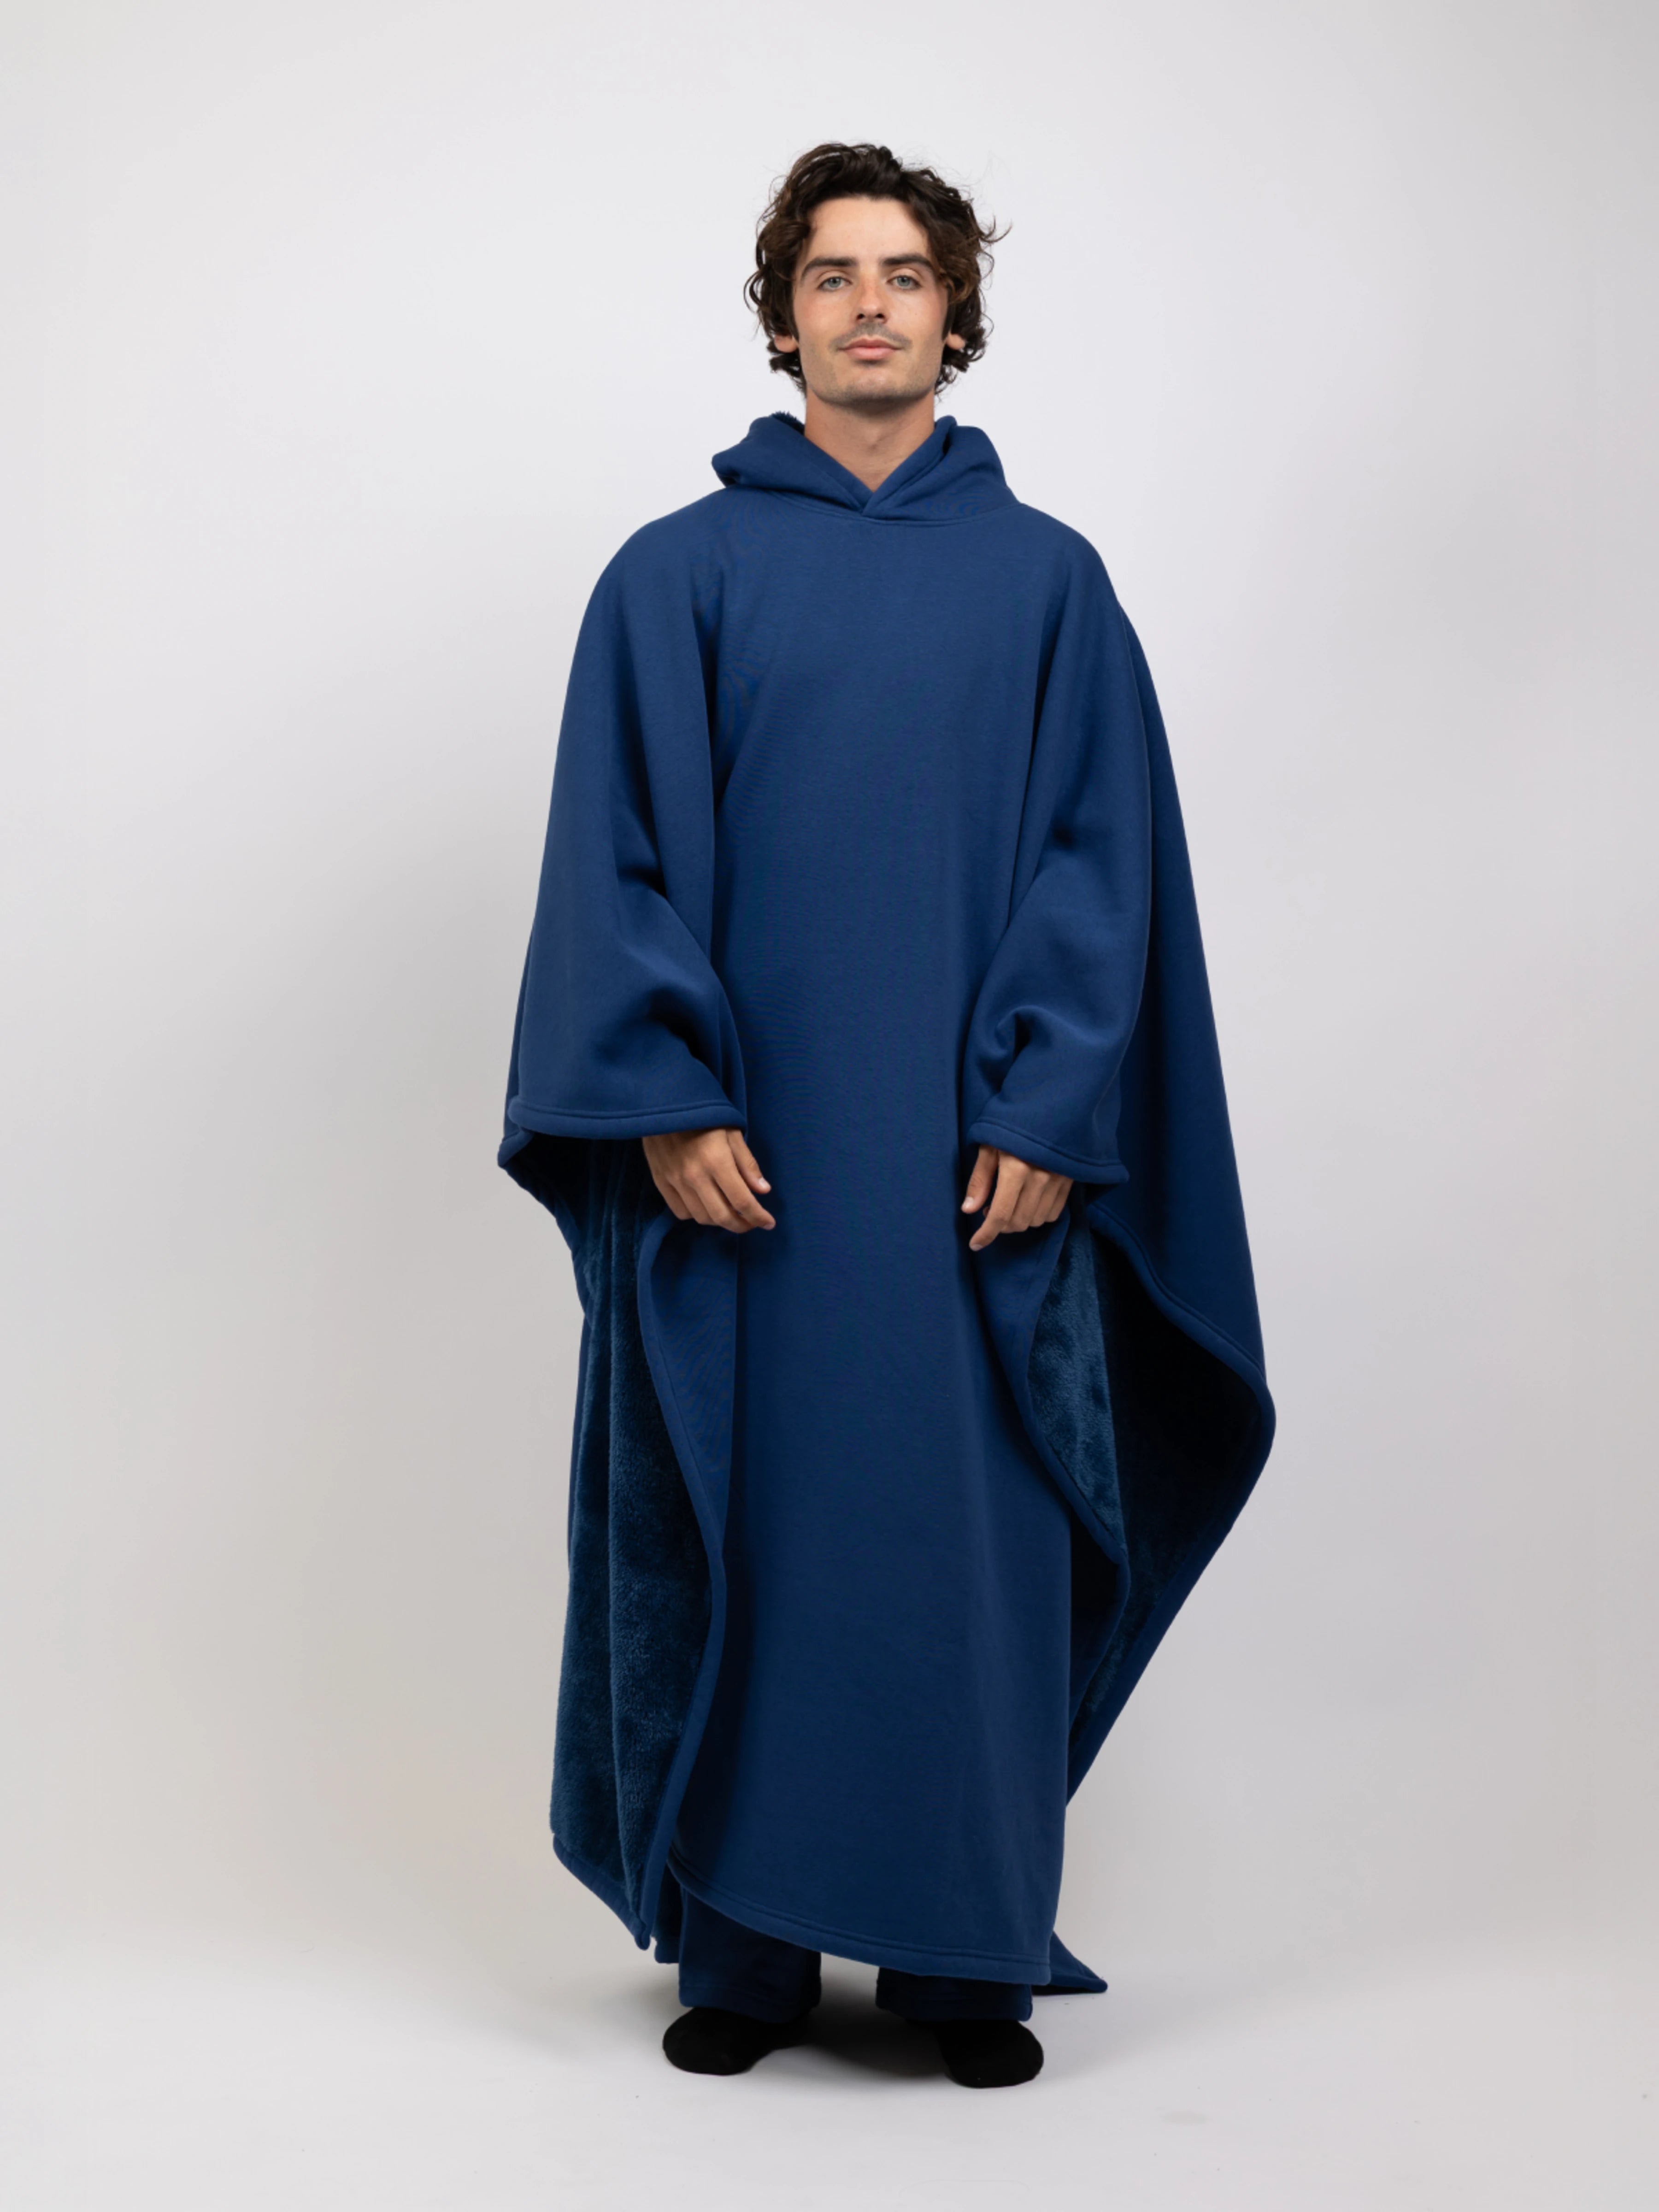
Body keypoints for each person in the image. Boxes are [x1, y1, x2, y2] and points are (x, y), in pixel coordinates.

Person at [499, 141, 1273, 2089]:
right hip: (752, 1173)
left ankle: (961, 1961)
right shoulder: (675, 577)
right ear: (783, 321)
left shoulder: (1049, 586)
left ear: (954, 316)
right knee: (750, 1527)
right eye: (833, 275)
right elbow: (613, 859)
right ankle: (746, 1956)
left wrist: (1053, 1107)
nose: (868, 305)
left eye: (905, 275)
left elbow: (1103, 869)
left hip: (968, 1181)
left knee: (969, 1544)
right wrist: (663, 1098)